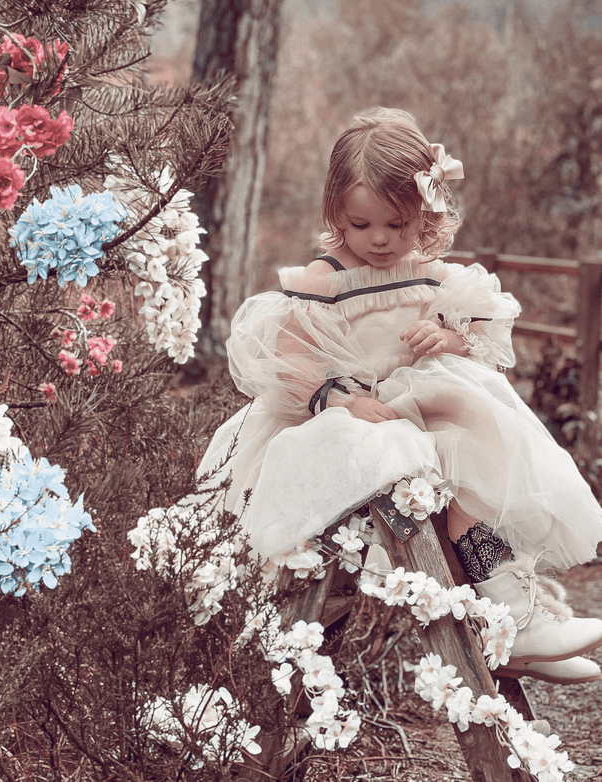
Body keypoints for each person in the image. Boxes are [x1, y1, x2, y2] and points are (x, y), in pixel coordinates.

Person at [197, 108, 602, 684]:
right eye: (362, 226)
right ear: (337, 213)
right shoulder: (324, 278)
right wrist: (339, 399)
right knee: (409, 462)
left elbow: (480, 334)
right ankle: (509, 626)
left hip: (425, 415)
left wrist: (448, 335)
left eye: (398, 224)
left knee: (477, 459)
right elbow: (289, 360)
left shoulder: (432, 275)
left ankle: (515, 623)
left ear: (425, 214)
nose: (381, 240)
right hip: (352, 422)